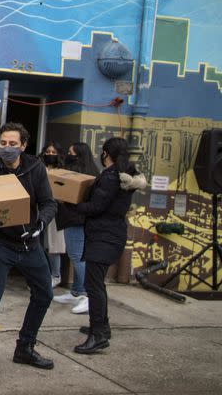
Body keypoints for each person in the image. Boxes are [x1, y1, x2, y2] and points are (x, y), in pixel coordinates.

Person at [0, 123, 57, 382]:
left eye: (12, 144)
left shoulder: (35, 168)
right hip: (0, 244)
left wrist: (41, 224)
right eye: (3, 143)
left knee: (44, 294)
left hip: (30, 244)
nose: (7, 148)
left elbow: (48, 202)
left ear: (23, 145)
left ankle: (25, 347)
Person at [72, 138, 146, 354]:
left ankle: (99, 335)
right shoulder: (124, 176)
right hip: (110, 235)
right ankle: (100, 326)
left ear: (105, 154)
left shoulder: (111, 177)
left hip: (104, 237)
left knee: (93, 285)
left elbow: (97, 206)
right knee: (97, 284)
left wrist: (74, 205)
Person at [53, 142, 100, 314]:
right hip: (75, 219)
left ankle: (88, 295)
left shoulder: (78, 176)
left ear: (79, 155)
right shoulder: (90, 174)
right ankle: (77, 292)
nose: (68, 154)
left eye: (71, 152)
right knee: (77, 255)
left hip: (75, 220)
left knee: (77, 256)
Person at [39, 141, 65, 288]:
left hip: (56, 211)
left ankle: (55, 275)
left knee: (54, 246)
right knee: (39, 244)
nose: (50, 155)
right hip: (39, 208)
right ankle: (42, 276)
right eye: (48, 152)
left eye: (53, 152)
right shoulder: (39, 167)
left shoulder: (62, 171)